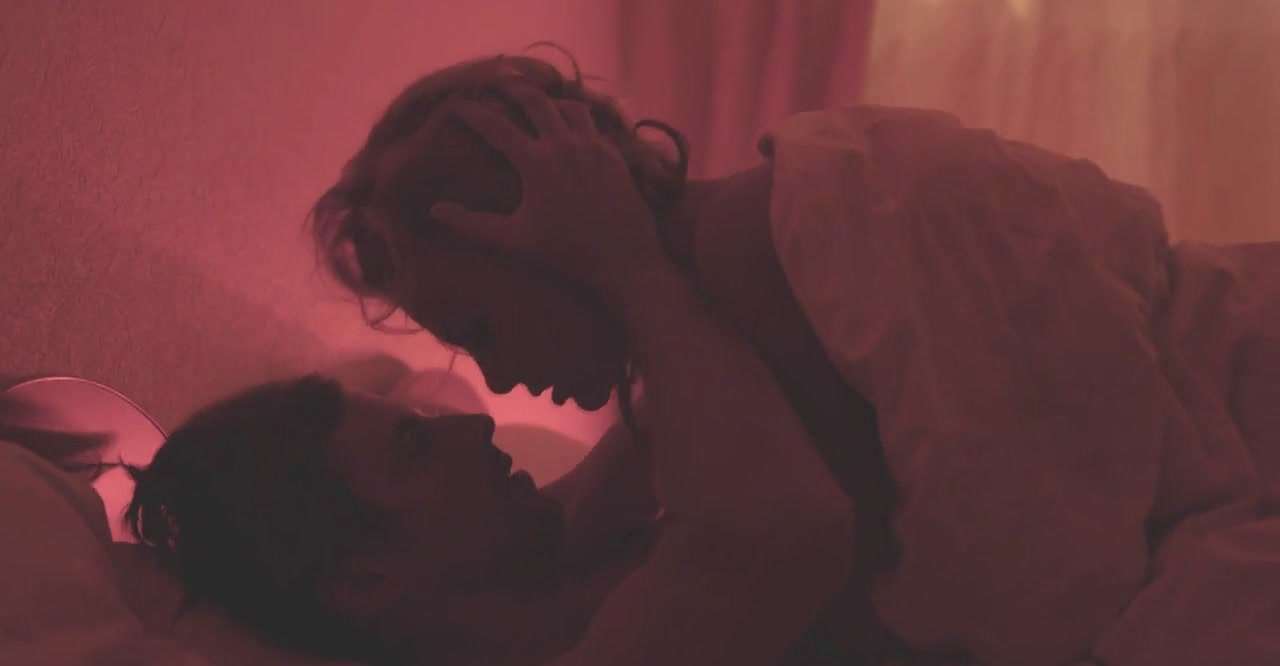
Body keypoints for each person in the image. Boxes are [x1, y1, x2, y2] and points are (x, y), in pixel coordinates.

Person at [309, 45, 906, 663]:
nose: (493, 392)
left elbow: (594, 498)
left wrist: (629, 267)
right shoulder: (756, 240)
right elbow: (778, 522)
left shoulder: (755, 249)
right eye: (415, 446)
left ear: (551, 234)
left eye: (482, 331)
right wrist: (632, 267)